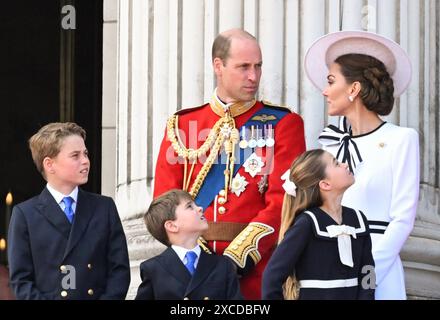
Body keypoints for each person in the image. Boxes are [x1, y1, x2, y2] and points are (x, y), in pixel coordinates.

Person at [153, 28, 306, 299]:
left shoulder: (283, 124)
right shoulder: (183, 125)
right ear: (218, 66)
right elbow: (164, 203)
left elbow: (283, 201)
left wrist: (237, 258)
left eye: (258, 66)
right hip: (192, 271)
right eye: (243, 67)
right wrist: (199, 258)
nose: (253, 76)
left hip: (254, 273)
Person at [304, 30, 420, 299]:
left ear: (354, 88)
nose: (324, 90)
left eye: (331, 81)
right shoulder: (329, 145)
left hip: (379, 268)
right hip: (329, 267)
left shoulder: (401, 139)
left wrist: (366, 270)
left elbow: (403, 220)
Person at [8, 122, 130, 300]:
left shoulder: (104, 208)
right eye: (75, 155)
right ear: (50, 164)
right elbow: (21, 281)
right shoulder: (25, 214)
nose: (86, 160)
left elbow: (119, 271)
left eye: (85, 153)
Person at [262, 149, 375, 300]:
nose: (345, 165)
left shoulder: (357, 219)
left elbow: (368, 270)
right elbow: (271, 278)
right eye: (336, 163)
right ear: (325, 184)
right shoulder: (307, 224)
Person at [135, 189, 243, 300]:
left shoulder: (223, 266)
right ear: (172, 226)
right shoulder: (153, 269)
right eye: (190, 207)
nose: (200, 208)